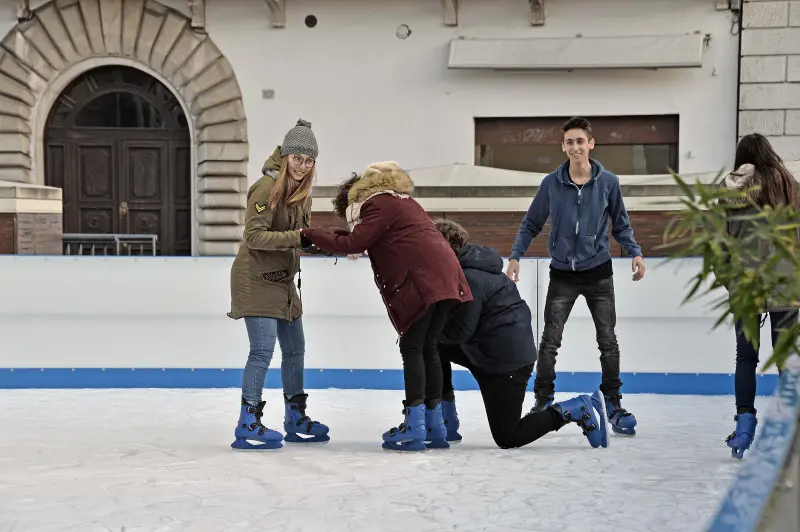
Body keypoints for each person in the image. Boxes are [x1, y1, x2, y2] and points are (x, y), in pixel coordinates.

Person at [301, 162, 473, 452]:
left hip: (425, 280)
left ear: (354, 201)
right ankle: (435, 426)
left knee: (413, 347)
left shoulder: (376, 204)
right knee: (429, 347)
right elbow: (365, 239)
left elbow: (355, 243)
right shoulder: (400, 202)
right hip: (446, 277)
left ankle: (415, 425)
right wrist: (329, 236)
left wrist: (310, 234)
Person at [505, 116, 643, 436]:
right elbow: (531, 223)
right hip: (563, 275)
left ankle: (613, 403)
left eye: (581, 141)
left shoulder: (608, 182)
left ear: (591, 144)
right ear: (563, 147)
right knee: (550, 341)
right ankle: (542, 400)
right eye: (570, 142)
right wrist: (515, 256)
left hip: (599, 274)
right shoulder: (551, 184)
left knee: (608, 341)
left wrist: (634, 251)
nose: (575, 147)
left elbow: (621, 225)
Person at [434, 220, 608, 450]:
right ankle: (445, 422)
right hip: (487, 352)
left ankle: (574, 409)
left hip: (507, 364)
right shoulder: (471, 270)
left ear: (443, 248)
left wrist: (423, 331)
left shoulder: (471, 278)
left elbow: (461, 330)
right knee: (433, 347)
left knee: (508, 437)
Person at [227, 119, 330, 451]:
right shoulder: (263, 189)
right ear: (285, 157)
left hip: (284, 283)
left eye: (309, 159)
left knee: (296, 350)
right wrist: (297, 237)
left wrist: (321, 242)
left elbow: (300, 238)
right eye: (297, 157)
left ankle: (295, 416)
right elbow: (253, 236)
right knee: (261, 351)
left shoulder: (303, 195)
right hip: (256, 280)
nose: (302, 165)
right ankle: (248, 421)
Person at [718, 133, 799, 460]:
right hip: (785, 285)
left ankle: (744, 427)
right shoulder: (791, 188)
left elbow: (718, 245)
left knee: (746, 358)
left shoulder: (729, 191)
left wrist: (731, 282)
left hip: (747, 285)